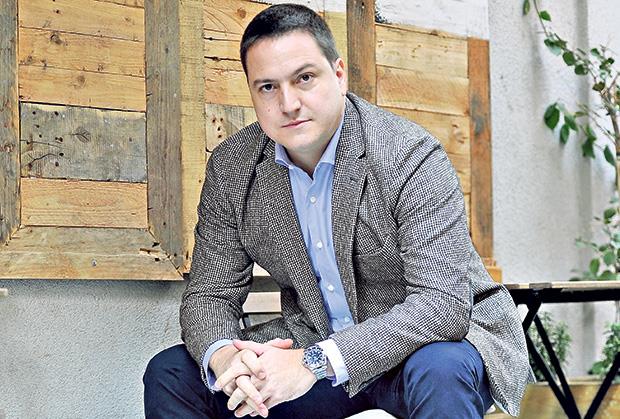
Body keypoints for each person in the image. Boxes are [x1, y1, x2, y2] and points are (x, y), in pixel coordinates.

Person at [144, 4, 532, 418]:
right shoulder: (233, 167)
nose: (288, 103)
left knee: (442, 368)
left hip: (419, 348)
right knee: (172, 372)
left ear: (339, 74)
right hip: (313, 341)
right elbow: (209, 294)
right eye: (268, 87)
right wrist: (227, 360)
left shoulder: (409, 154)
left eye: (304, 78)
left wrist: (314, 363)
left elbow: (441, 305)